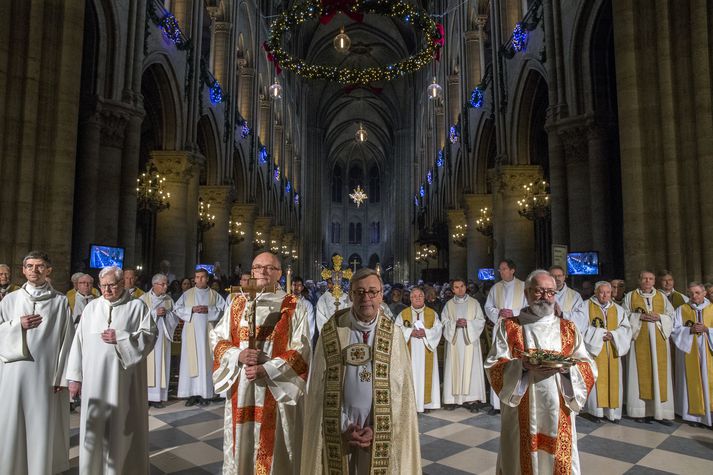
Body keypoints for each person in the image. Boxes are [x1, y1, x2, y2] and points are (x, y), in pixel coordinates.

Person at [301, 268, 421, 474]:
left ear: (381, 295)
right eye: (360, 292)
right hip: (339, 428)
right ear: (350, 296)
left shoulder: (394, 335)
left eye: (372, 291)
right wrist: (342, 424)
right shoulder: (332, 331)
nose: (366, 298)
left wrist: (378, 428)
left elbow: (403, 394)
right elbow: (318, 389)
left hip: (378, 430)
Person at [485, 270, 596, 474]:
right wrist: (523, 366)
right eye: (539, 291)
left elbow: (587, 366)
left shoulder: (568, 328)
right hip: (521, 408)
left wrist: (567, 369)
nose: (545, 297)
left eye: (550, 292)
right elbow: (495, 366)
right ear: (527, 293)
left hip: (559, 406)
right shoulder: (509, 327)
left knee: (557, 458)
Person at [210, 252, 311, 474]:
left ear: (279, 274)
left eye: (269, 268)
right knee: (242, 440)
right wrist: (238, 355)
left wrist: (267, 367)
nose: (263, 272)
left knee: (275, 447)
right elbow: (218, 338)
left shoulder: (293, 306)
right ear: (252, 271)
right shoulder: (238, 303)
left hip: (276, 388)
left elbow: (301, 349)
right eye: (257, 267)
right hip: (243, 386)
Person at [66, 265, 157, 474]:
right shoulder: (91, 308)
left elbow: (150, 336)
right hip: (94, 382)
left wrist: (122, 338)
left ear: (123, 283)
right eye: (103, 285)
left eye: (112, 285)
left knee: (122, 425)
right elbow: (78, 343)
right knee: (96, 427)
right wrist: (74, 377)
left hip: (124, 381)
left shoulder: (137, 307)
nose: (107, 290)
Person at [0, 251, 74, 475]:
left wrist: (62, 376)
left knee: (40, 422)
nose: (34, 270)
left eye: (40, 266)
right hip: (14, 372)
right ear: (23, 270)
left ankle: (40, 468)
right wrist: (17, 325)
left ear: (48, 270)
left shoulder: (60, 301)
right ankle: (11, 467)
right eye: (29, 266)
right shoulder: (10, 300)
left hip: (46, 373)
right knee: (12, 421)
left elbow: (67, 339)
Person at [623, 270, 676, 424]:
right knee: (639, 374)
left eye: (650, 278)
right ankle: (641, 411)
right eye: (644, 278)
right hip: (638, 339)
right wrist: (639, 317)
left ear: (654, 281)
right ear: (639, 280)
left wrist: (660, 317)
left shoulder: (661, 297)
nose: (647, 281)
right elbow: (624, 316)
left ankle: (662, 412)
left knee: (660, 375)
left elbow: (672, 316)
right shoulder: (630, 296)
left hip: (659, 340)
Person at [582, 281, 632, 422]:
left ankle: (612, 413)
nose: (605, 295)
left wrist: (614, 335)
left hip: (612, 349)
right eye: (602, 292)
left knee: (613, 379)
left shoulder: (618, 309)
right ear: (596, 292)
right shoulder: (585, 306)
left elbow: (626, 328)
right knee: (595, 378)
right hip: (595, 351)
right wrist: (598, 334)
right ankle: (595, 412)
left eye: (608, 292)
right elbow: (579, 327)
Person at [176, 268, 226, 406]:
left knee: (206, 361)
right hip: (190, 333)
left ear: (207, 279)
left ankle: (206, 393)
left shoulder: (214, 294)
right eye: (197, 277)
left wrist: (208, 310)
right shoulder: (187, 294)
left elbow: (224, 311)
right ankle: (191, 394)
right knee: (189, 362)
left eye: (202, 277)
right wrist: (190, 310)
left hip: (207, 334)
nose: (199, 280)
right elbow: (177, 308)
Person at [484, 259, 526, 413]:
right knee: (499, 362)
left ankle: (516, 399)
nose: (501, 272)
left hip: (517, 329)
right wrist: (498, 312)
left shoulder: (523, 286)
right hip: (500, 329)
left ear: (512, 270)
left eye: (504, 269)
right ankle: (497, 403)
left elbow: (529, 308)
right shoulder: (496, 287)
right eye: (500, 269)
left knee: (515, 363)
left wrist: (514, 313)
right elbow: (488, 307)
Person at [442, 278, 487, 412]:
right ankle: (452, 399)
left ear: (466, 287)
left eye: (462, 286)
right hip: (455, 340)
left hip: (470, 341)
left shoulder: (474, 303)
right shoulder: (449, 305)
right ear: (452, 290)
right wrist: (454, 323)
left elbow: (480, 320)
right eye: (456, 287)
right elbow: (443, 322)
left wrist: (468, 323)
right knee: (453, 367)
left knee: (471, 368)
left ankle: (472, 399)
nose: (460, 289)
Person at [671, 282, 713, 427]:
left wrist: (708, 330)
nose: (693, 296)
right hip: (690, 352)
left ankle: (710, 414)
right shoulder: (681, 309)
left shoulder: (712, 309)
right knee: (691, 382)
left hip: (709, 353)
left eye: (697, 293)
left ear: (704, 293)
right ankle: (693, 416)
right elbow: (674, 330)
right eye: (690, 293)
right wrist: (689, 331)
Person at [396, 287, 442, 413]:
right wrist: (410, 332)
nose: (417, 298)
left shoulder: (432, 314)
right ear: (410, 298)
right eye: (414, 296)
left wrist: (425, 332)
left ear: (424, 297)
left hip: (426, 349)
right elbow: (397, 329)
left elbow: (438, 329)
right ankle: (411, 403)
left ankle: (427, 404)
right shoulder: (403, 314)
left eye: (420, 296)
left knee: (425, 374)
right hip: (409, 350)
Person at [140, 273, 179, 408]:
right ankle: (145, 397)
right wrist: (154, 313)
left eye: (166, 283)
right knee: (146, 367)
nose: (165, 286)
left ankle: (158, 397)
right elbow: (138, 318)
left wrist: (167, 314)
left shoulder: (169, 300)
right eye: (162, 284)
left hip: (163, 337)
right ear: (154, 285)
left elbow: (175, 318)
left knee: (162, 364)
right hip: (147, 338)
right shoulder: (143, 299)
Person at [550, 265, 587, 331]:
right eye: (553, 276)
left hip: (567, 333)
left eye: (559, 276)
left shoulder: (575, 295)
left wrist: (562, 314)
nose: (556, 278)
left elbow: (581, 318)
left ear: (564, 277)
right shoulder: (543, 294)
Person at [293, 276, 317, 348]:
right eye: (294, 285)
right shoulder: (286, 302)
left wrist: (305, 340)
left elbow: (310, 324)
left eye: (299, 285)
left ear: (302, 287)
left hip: (303, 340)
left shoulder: (307, 304)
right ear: (291, 286)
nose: (296, 287)